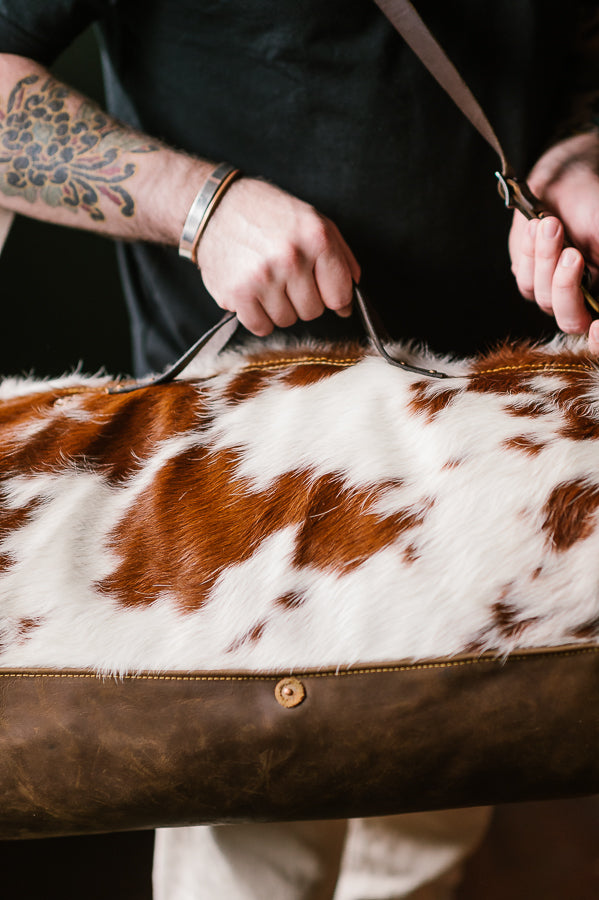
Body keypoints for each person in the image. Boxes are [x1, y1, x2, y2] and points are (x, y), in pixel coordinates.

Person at [0, 2, 597, 898]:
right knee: (248, 863)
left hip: (495, 478)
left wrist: (576, 158)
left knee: (424, 846)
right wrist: (200, 206)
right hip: (241, 491)